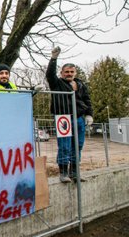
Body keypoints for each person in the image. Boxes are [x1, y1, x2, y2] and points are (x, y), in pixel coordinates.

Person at [46, 46, 93, 183]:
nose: (69, 74)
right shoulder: (57, 83)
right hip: (63, 118)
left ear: (75, 72)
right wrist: (53, 59)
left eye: (71, 71)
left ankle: (74, 172)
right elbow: (50, 75)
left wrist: (89, 114)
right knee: (65, 146)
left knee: (78, 145)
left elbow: (87, 100)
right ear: (62, 73)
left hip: (79, 118)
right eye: (66, 72)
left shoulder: (80, 84)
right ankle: (63, 173)